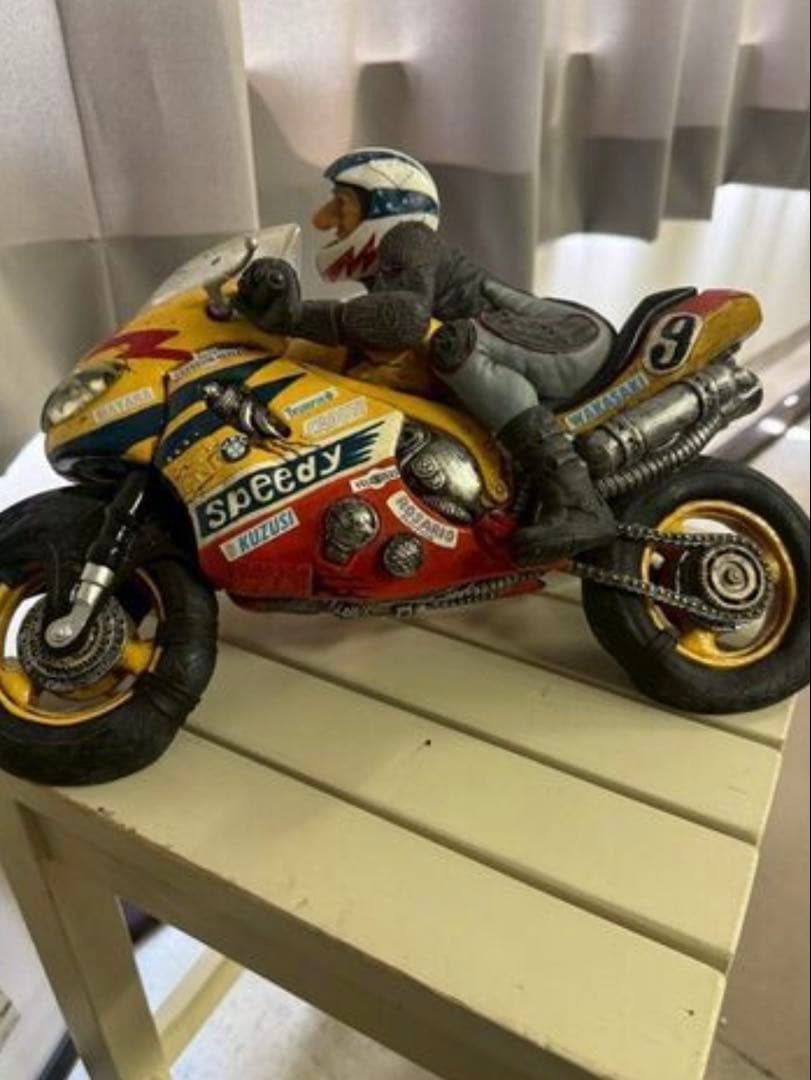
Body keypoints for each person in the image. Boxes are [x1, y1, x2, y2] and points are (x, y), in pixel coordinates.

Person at [235, 147, 616, 562]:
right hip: (537, 340)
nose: (324, 220)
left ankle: (578, 500)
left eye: (341, 205)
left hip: (567, 337)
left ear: (384, 208)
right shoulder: (390, 271)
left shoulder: (409, 238)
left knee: (453, 345)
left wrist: (296, 316)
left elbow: (405, 318)